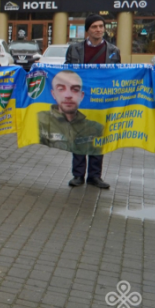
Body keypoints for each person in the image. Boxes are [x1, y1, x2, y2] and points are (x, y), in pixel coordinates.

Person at [62, 14, 120, 189]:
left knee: (98, 136)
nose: (98, 30)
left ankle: (95, 176)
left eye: (101, 26)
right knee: (79, 136)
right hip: (80, 99)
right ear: (88, 30)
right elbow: (67, 71)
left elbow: (117, 76)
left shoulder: (113, 51)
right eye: (94, 26)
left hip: (102, 100)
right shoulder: (74, 49)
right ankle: (78, 175)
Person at [38, 70, 103, 154]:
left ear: (81, 95)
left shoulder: (96, 128)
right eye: (61, 89)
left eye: (75, 90)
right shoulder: (39, 121)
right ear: (53, 94)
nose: (68, 95)